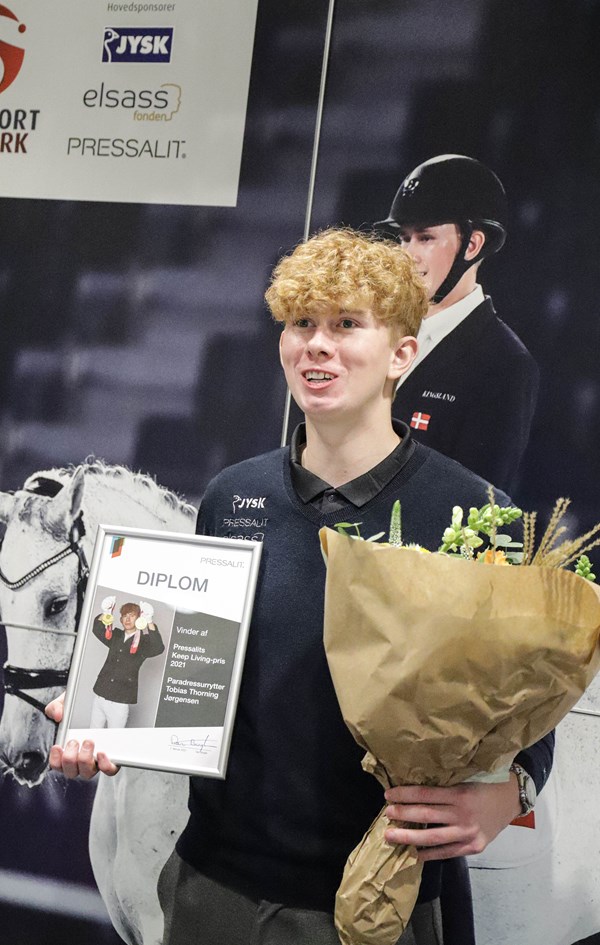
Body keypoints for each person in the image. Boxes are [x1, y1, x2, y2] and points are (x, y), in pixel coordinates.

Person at [47, 229, 553, 945]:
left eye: (347, 324)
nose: (317, 344)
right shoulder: (231, 495)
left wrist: (511, 793)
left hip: (375, 903)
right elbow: (181, 671)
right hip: (211, 891)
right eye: (301, 323)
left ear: (402, 354)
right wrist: (103, 711)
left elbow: (533, 697)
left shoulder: (476, 512)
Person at [375, 153, 539, 493]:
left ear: (473, 244)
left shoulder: (504, 364)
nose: (408, 255)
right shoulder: (376, 334)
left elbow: (478, 506)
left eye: (425, 238)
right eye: (403, 238)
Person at [89, 598, 164, 728]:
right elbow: (97, 628)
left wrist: (150, 621)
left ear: (139, 619)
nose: (127, 619)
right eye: (124, 616)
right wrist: (105, 611)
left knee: (113, 740)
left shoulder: (144, 642)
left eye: (132, 616)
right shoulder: (115, 635)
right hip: (100, 696)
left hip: (120, 701)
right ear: (121, 619)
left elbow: (158, 648)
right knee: (92, 734)